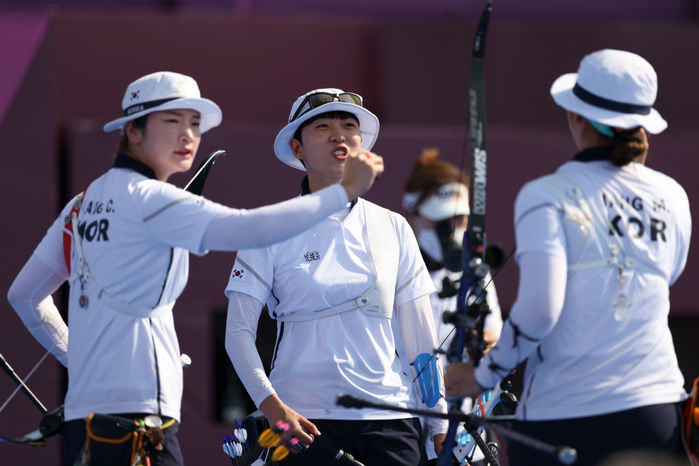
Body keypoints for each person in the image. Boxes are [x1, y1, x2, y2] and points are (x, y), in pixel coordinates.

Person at [6, 72, 383, 466]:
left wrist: (77, 359)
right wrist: (342, 193)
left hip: (84, 421)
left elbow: (25, 297)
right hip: (139, 425)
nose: (188, 134)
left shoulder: (80, 206)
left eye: (194, 123)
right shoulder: (152, 199)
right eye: (172, 121)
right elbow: (250, 229)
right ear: (133, 131)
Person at [443, 49, 691, 465]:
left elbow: (540, 311)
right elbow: (666, 277)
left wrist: (482, 375)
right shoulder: (672, 194)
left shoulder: (546, 195)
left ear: (577, 117)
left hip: (566, 418)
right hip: (656, 412)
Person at [224, 88, 448, 466]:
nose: (339, 135)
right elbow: (237, 334)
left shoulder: (393, 226)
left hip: (391, 419)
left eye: (349, 126)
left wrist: (439, 420)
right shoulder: (270, 225)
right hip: (302, 421)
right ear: (297, 149)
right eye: (323, 126)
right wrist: (273, 407)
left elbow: (421, 339)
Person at [402, 148, 503, 463]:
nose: (450, 230)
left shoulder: (476, 274)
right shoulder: (394, 275)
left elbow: (492, 339)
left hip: (465, 433)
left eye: (458, 218)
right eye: (439, 221)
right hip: (406, 429)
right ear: (412, 216)